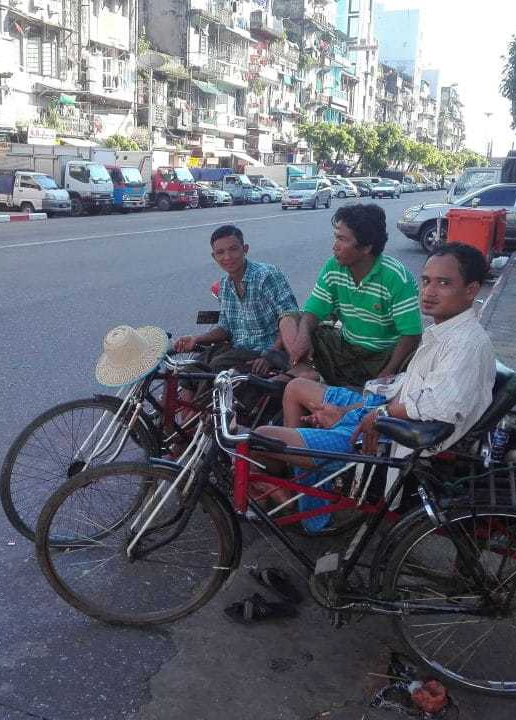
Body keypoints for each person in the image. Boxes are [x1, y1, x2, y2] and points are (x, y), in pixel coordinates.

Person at [254, 243, 497, 532]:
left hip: (395, 435)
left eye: (444, 283)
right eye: (426, 281)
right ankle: (306, 483)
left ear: (471, 290)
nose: (429, 291)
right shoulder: (446, 330)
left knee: (260, 437)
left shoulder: (464, 343)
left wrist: (376, 414)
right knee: (297, 386)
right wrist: (353, 408)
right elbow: (413, 388)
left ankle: (307, 509)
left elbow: (438, 406)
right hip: (386, 412)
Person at [290, 203, 422, 388]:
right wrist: (303, 336)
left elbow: (411, 334)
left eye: (342, 239)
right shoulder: (333, 267)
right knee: (294, 320)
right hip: (346, 348)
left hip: (383, 355)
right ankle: (307, 371)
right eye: (336, 238)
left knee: (408, 366)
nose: (334, 246)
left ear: (366, 247)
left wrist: (388, 371)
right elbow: (314, 310)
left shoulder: (396, 278)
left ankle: (336, 386)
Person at [173, 224, 301, 377]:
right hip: (237, 349)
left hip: (264, 350)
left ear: (245, 249)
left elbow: (290, 317)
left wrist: (270, 355)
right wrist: (196, 339)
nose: (227, 257)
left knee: (214, 369)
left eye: (233, 249)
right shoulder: (225, 286)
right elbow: (225, 328)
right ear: (214, 256)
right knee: (189, 371)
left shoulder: (266, 276)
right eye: (220, 252)